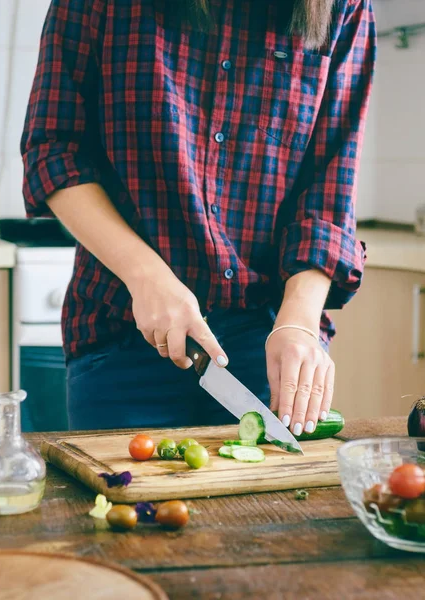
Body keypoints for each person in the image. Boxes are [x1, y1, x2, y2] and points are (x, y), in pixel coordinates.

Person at [21, 0, 376, 432]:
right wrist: (147, 277)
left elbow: (330, 183)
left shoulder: (346, 7)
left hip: (267, 338)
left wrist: (300, 322)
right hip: (123, 332)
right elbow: (55, 149)